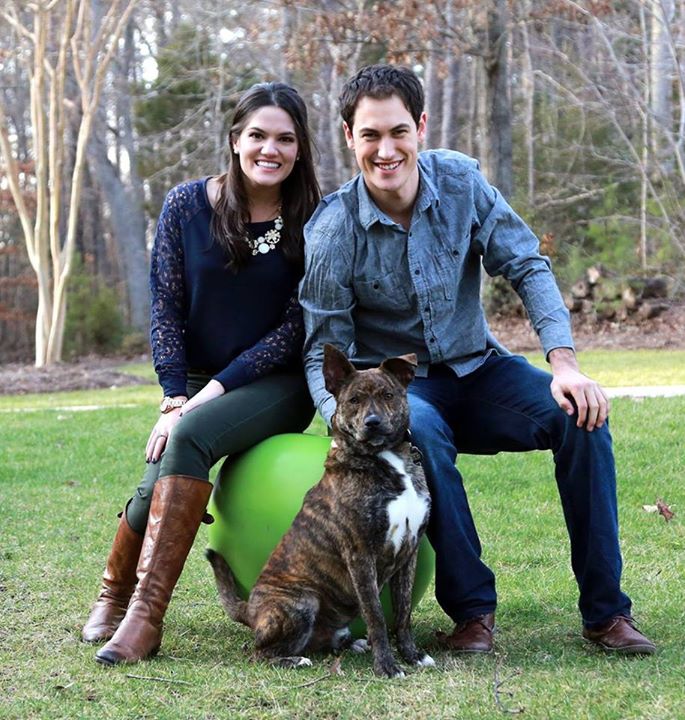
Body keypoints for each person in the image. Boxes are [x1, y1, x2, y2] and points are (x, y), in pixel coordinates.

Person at [299, 64, 656, 655]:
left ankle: (606, 614)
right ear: (348, 138)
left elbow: (527, 265)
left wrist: (564, 364)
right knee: (425, 435)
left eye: (397, 132)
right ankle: (473, 617)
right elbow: (322, 346)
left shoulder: (462, 182)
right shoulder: (335, 228)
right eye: (369, 136)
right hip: (400, 393)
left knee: (582, 418)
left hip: (481, 368)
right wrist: (340, 423)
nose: (385, 151)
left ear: (421, 126)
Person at [82, 81, 320, 665]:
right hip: (194, 382)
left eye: (285, 139)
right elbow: (164, 307)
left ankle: (144, 616)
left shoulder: (315, 218)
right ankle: (113, 596)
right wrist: (172, 395)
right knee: (157, 473)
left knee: (187, 436)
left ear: (300, 148)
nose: (272, 149)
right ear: (235, 139)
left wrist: (200, 400)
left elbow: (294, 330)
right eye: (258, 135)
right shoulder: (186, 205)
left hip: (278, 384)